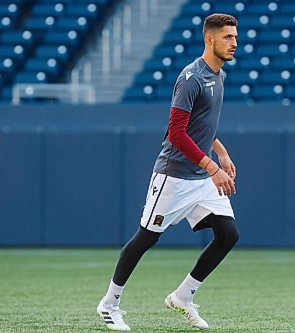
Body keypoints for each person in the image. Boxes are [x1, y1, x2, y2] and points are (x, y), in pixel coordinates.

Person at [97, 13, 239, 331]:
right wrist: (212, 167)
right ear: (210, 39)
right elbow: (176, 132)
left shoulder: (220, 77)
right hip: (173, 175)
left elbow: (202, 126)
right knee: (146, 238)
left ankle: (182, 297)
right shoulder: (191, 77)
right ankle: (109, 304)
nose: (234, 43)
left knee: (228, 234)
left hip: (201, 177)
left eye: (235, 36)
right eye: (228, 37)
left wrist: (222, 152)